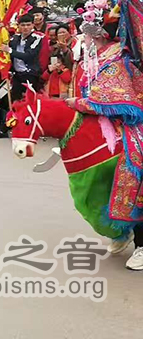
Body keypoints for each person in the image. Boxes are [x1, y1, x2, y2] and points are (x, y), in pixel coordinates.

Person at [64, 20, 143, 271]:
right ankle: (121, 232)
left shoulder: (116, 60)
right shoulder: (94, 59)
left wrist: (76, 103)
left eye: (83, 35)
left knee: (134, 171)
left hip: (132, 124)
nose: (80, 39)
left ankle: (142, 244)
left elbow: (113, 100)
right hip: (105, 125)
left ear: (96, 36)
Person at [0, 14, 45, 138]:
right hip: (17, 75)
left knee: (33, 103)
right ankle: (5, 129)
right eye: (23, 25)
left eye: (28, 25)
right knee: (13, 103)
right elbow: (5, 53)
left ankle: (37, 129)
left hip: (31, 75)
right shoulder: (14, 39)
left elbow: (29, 55)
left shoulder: (37, 38)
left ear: (32, 25)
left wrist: (9, 50)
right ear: (19, 26)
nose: (25, 27)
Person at [40, 25, 74, 99]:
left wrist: (60, 70)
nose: (61, 35)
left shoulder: (75, 43)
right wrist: (49, 70)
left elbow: (70, 63)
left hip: (65, 88)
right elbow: (43, 78)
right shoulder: (54, 48)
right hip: (50, 91)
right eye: (59, 33)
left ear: (69, 32)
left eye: (63, 32)